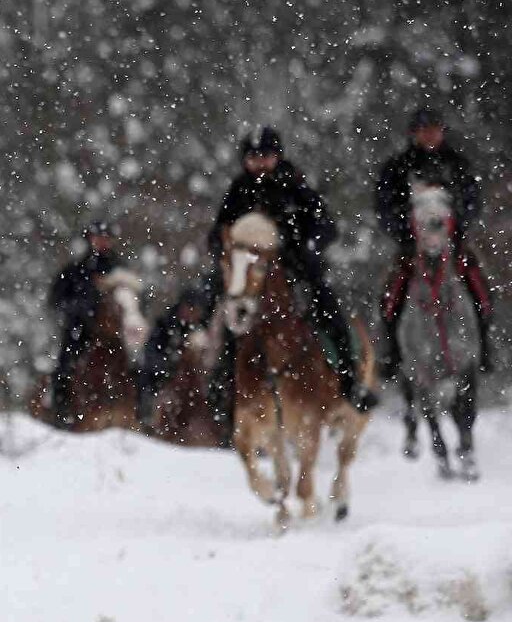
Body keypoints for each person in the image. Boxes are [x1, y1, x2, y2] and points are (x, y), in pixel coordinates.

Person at [208, 126, 378, 413]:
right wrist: (224, 252)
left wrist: (305, 249)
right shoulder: (239, 190)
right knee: (220, 314)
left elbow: (326, 227)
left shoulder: (295, 185)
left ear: (277, 156)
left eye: (266, 156)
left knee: (327, 309)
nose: (260, 162)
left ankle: (349, 380)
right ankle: (223, 387)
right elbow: (218, 232)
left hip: (296, 269)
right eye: (253, 157)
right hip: (246, 273)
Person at [375, 107, 494, 378]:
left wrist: (458, 228)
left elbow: (472, 201)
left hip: (453, 244)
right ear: (414, 133)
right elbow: (384, 207)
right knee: (391, 296)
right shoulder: (398, 167)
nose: (430, 135)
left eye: (434, 129)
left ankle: (485, 345)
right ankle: (392, 350)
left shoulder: (457, 164)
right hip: (412, 246)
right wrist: (404, 234)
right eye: (424, 130)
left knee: (481, 289)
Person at [47, 220, 125, 425]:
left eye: (107, 238)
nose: (102, 242)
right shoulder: (75, 271)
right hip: (80, 331)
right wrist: (82, 310)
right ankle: (61, 413)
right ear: (89, 240)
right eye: (98, 237)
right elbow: (56, 301)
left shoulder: (122, 272)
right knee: (65, 367)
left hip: (117, 335)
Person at [136, 277, 217, 432]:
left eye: (197, 309)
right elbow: (151, 355)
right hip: (164, 379)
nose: (193, 313)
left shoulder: (202, 329)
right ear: (182, 307)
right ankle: (147, 422)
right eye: (190, 307)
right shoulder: (165, 325)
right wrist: (171, 363)